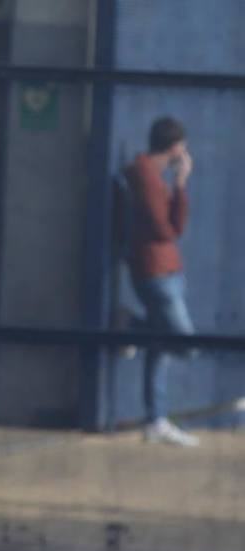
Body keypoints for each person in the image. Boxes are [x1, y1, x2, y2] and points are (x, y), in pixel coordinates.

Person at [124, 116, 198, 446]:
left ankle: (155, 419)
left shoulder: (152, 177)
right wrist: (181, 184)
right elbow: (166, 230)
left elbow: (171, 229)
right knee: (184, 345)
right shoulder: (146, 177)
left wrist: (178, 186)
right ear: (172, 147)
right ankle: (127, 327)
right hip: (156, 273)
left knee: (161, 350)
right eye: (181, 146)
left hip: (166, 271)